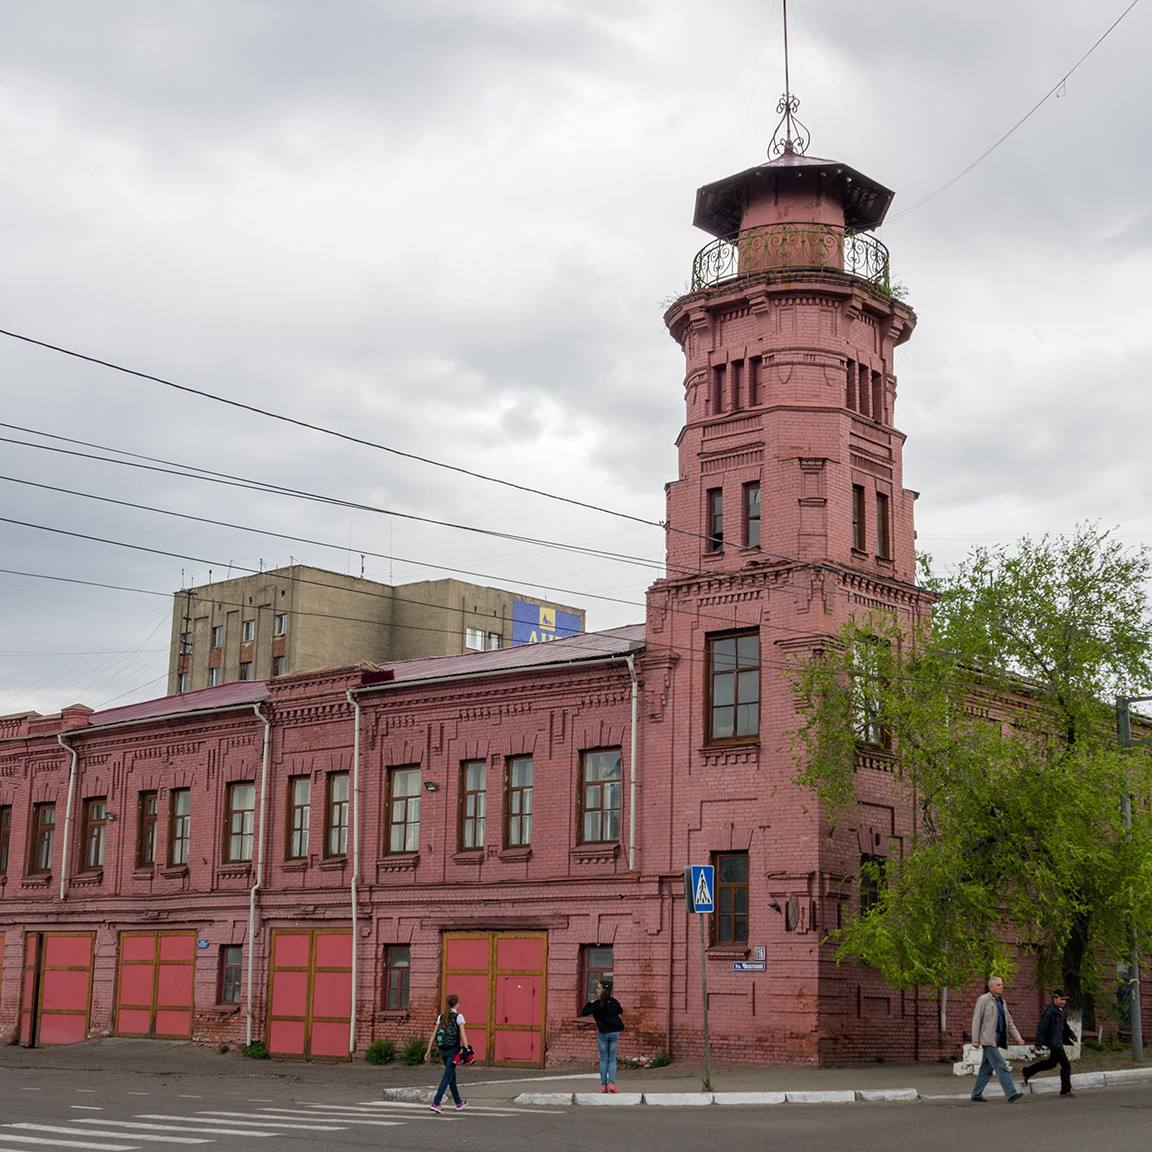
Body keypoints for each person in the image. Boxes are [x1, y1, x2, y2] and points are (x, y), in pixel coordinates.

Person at [970, 976, 1025, 1102]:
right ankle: (1011, 1093)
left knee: (986, 1069)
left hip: (998, 1038)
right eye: (998, 985)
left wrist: (1018, 1037)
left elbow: (1009, 1022)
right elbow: (976, 1019)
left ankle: (976, 1094)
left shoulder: (1002, 1002)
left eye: (1002, 984)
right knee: (1001, 1066)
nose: (1001, 987)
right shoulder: (983, 1000)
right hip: (988, 1039)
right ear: (991, 987)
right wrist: (975, 1039)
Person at [1022, 988, 1077, 1097]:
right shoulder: (1050, 1011)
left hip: (1058, 1042)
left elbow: (1065, 1027)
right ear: (1054, 998)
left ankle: (1027, 1071)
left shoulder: (1061, 1011)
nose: (1063, 1002)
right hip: (1053, 1043)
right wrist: (1039, 1042)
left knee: (1051, 1064)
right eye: (1061, 999)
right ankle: (1065, 1090)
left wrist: (1072, 1035)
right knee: (1066, 1065)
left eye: (1065, 1000)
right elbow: (1042, 1027)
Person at [425, 993, 470, 1113]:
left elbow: (434, 1035)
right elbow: (463, 1035)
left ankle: (459, 1102)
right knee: (447, 1076)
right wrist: (467, 1049)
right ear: (456, 1004)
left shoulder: (441, 1016)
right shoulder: (458, 1017)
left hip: (442, 1051)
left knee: (451, 1077)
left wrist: (428, 1050)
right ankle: (436, 1102)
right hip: (453, 1052)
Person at [579, 978, 624, 1092]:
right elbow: (620, 1011)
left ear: (604, 990)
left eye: (598, 988)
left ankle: (604, 1086)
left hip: (603, 1034)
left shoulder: (596, 1004)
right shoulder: (613, 1002)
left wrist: (592, 1001)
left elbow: (584, 1012)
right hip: (614, 1033)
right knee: (612, 1059)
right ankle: (612, 1084)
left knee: (604, 1059)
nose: (596, 990)